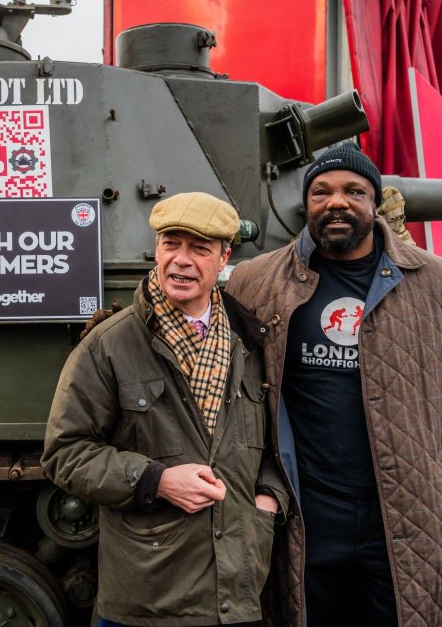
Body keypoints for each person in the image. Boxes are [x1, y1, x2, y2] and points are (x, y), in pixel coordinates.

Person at [226, 143, 442, 627]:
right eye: (322, 191)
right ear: (306, 203)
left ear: (375, 202)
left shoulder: (438, 280)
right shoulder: (256, 280)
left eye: (353, 190)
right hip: (304, 512)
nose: (337, 202)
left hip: (405, 509)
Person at [43, 192, 287, 626]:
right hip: (146, 596)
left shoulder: (248, 341)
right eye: (171, 244)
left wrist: (267, 500)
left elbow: (272, 444)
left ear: (224, 256)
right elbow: (66, 453)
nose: (182, 260)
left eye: (199, 248)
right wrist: (156, 480)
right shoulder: (111, 344)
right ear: (156, 249)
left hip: (234, 590)